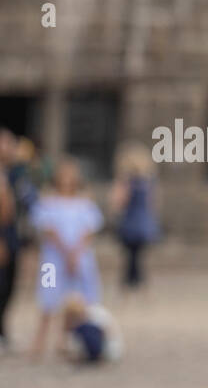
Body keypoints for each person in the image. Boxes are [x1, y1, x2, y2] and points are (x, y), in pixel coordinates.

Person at [29, 157, 104, 361]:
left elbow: (89, 230)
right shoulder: (47, 202)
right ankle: (39, 342)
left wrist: (75, 253)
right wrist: (65, 251)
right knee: (48, 299)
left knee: (78, 302)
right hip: (53, 261)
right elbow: (47, 229)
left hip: (79, 259)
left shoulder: (84, 202)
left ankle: (67, 341)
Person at [0, 129, 38, 354]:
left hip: (15, 237)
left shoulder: (19, 173)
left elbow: (29, 203)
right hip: (3, 236)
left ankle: (2, 330)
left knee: (10, 286)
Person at [108, 141, 161, 293]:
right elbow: (153, 203)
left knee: (131, 256)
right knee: (137, 257)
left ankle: (130, 285)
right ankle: (138, 284)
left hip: (131, 223)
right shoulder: (148, 182)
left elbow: (118, 202)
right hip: (142, 223)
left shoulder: (127, 182)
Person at [60, 292, 124, 363]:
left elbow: (110, 332)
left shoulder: (94, 314)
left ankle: (94, 355)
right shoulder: (89, 313)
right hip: (104, 346)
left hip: (109, 349)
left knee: (86, 329)